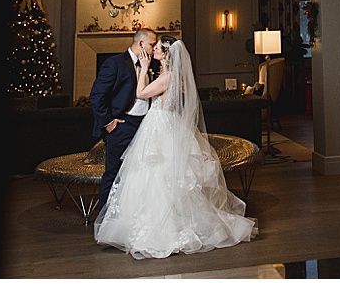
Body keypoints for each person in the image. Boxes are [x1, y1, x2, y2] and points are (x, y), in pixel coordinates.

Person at [94, 37, 257, 258]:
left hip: (159, 126)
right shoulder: (169, 75)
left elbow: (141, 93)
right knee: (157, 177)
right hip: (163, 125)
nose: (154, 51)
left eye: (158, 48)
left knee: (158, 176)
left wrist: (141, 71)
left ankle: (165, 228)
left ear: (167, 54)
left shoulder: (168, 76)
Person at [90, 28, 158, 210]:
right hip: (122, 125)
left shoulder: (152, 64)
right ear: (141, 44)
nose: (155, 48)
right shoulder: (115, 63)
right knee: (114, 172)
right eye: (152, 44)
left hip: (145, 125)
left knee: (140, 173)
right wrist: (109, 122)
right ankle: (105, 219)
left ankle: (131, 214)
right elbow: (97, 96)